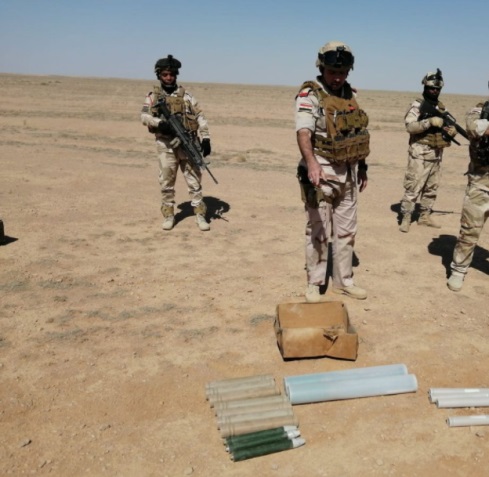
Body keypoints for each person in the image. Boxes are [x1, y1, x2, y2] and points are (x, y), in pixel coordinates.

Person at [295, 41, 369, 302]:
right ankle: (314, 282)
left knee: (347, 232)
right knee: (318, 230)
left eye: (342, 72)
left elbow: (357, 132)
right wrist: (312, 163)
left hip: (348, 173)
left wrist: (363, 167)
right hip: (322, 172)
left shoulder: (350, 95)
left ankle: (344, 281)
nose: (337, 78)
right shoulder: (310, 96)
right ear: (321, 68)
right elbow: (303, 132)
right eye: (332, 72)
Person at [140, 54, 212, 231]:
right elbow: (144, 116)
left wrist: (206, 138)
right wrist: (160, 124)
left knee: (194, 181)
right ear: (159, 75)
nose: (169, 78)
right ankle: (169, 215)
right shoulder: (152, 97)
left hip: (188, 144)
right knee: (166, 182)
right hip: (166, 146)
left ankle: (200, 214)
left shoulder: (187, 96)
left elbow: (200, 116)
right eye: (165, 74)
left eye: (172, 74)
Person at [399, 69, 457, 233]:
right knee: (413, 187)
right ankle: (406, 217)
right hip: (419, 154)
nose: (435, 91)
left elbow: (447, 126)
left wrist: (451, 131)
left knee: (432, 188)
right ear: (425, 87)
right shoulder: (417, 105)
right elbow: (410, 126)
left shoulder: (441, 107)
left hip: (436, 154)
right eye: (432, 88)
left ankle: (424, 216)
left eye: (438, 89)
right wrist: (429, 122)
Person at [447, 91, 489, 292]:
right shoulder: (478, 111)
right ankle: (459, 269)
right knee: (469, 230)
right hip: (481, 183)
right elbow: (474, 129)